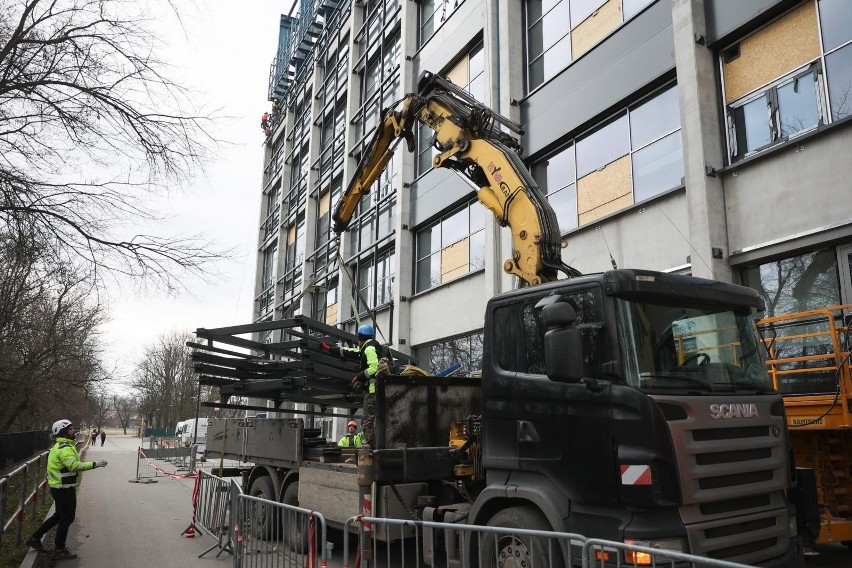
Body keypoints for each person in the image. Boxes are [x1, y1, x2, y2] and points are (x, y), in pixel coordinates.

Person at [27, 419, 108, 559]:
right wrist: (95, 464)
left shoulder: (60, 446)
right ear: (64, 432)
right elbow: (74, 466)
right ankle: (59, 549)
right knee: (67, 518)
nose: (73, 430)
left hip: (59, 488)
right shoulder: (64, 448)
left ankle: (34, 538)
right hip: (64, 489)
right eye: (70, 429)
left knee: (58, 516)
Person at [322, 324, 382, 446]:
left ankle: (372, 447)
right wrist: (331, 349)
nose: (357, 341)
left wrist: (359, 375)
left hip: (372, 391)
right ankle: (374, 446)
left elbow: (374, 368)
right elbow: (351, 351)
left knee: (367, 421)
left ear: (361, 337)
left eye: (358, 338)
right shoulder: (366, 348)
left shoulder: (369, 349)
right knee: (370, 420)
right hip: (372, 390)